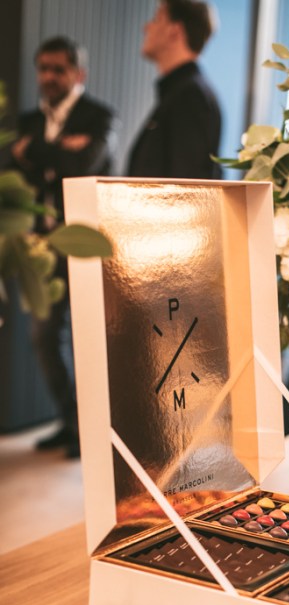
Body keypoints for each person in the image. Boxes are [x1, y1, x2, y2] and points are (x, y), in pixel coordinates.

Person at [11, 36, 116, 458]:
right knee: (43, 337)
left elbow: (82, 165)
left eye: (58, 69)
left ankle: (92, 433)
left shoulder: (99, 116)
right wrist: (57, 151)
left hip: (86, 244)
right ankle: (71, 421)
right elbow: (12, 171)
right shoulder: (27, 120)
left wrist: (36, 152)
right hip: (42, 249)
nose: (49, 77)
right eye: (44, 69)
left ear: (78, 73)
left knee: (86, 342)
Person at [127, 0, 222, 179]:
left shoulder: (191, 96)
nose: (146, 27)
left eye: (156, 19)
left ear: (175, 31)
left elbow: (187, 184)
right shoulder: (181, 91)